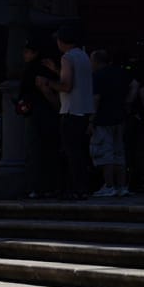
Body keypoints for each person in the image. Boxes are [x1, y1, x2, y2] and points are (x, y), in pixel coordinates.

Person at [49, 23, 95, 198]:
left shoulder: (67, 57)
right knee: (80, 151)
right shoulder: (83, 55)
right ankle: (84, 187)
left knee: (71, 152)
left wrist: (49, 82)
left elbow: (66, 85)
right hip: (84, 109)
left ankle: (75, 188)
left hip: (71, 110)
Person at [19, 40, 61, 198]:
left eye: (27, 51)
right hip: (46, 113)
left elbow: (45, 90)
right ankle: (49, 185)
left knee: (36, 150)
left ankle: (37, 186)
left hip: (39, 113)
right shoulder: (44, 68)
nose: (24, 55)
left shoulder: (33, 70)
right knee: (48, 150)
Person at [89, 49, 133, 197]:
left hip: (103, 118)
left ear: (96, 62)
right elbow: (134, 85)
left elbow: (96, 98)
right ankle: (122, 185)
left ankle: (109, 185)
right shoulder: (120, 73)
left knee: (106, 153)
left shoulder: (97, 76)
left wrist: (91, 119)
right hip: (119, 116)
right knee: (119, 153)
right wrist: (128, 102)